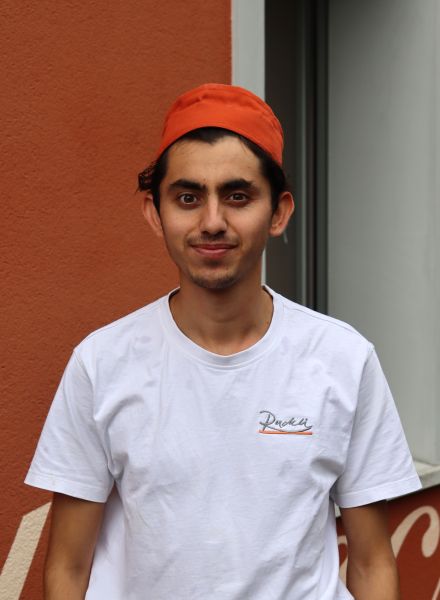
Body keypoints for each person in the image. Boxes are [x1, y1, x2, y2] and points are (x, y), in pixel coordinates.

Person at [25, 83, 421, 600]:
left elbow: (371, 563)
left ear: (278, 213)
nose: (212, 222)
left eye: (238, 196)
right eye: (188, 198)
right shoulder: (101, 364)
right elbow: (68, 568)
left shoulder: (343, 359)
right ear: (155, 212)